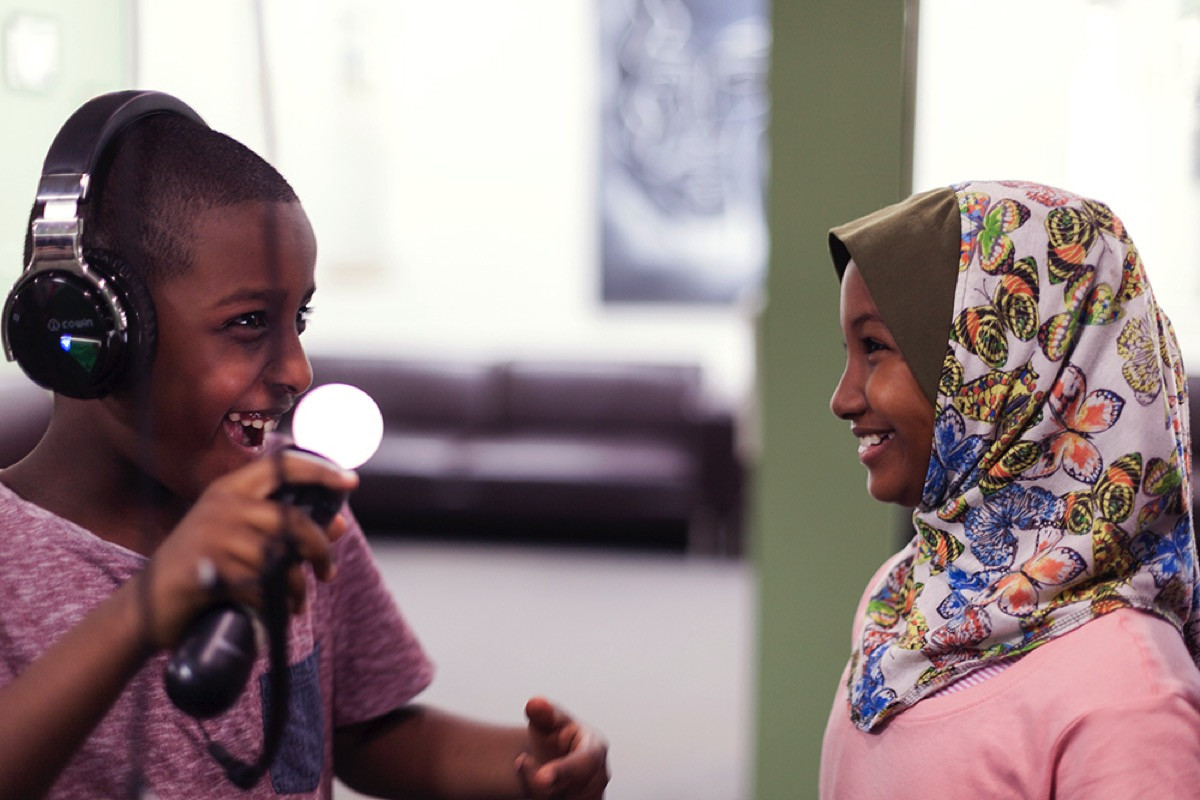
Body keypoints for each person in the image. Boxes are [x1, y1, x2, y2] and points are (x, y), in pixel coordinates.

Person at [0, 92, 609, 799]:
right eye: (250, 321)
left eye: (301, 318)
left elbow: (361, 732)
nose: (298, 369)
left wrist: (528, 769)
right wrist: (141, 613)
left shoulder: (290, 498)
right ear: (97, 331)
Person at [820, 180, 1200, 797]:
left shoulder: (1126, 696)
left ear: (1012, 372)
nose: (842, 398)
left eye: (875, 349)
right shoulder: (896, 600)